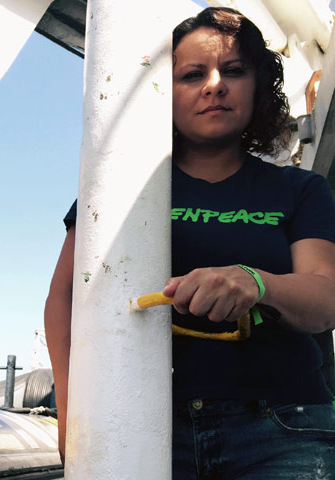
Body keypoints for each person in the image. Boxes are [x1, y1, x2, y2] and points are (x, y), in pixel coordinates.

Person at [45, 7, 335, 477]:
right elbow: (64, 299)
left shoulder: (301, 190)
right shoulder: (115, 190)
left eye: (235, 70)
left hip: (284, 428)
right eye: (192, 74)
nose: (215, 85)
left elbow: (324, 299)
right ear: (166, 92)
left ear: (258, 86)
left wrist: (256, 283)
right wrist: (71, 412)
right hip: (145, 423)